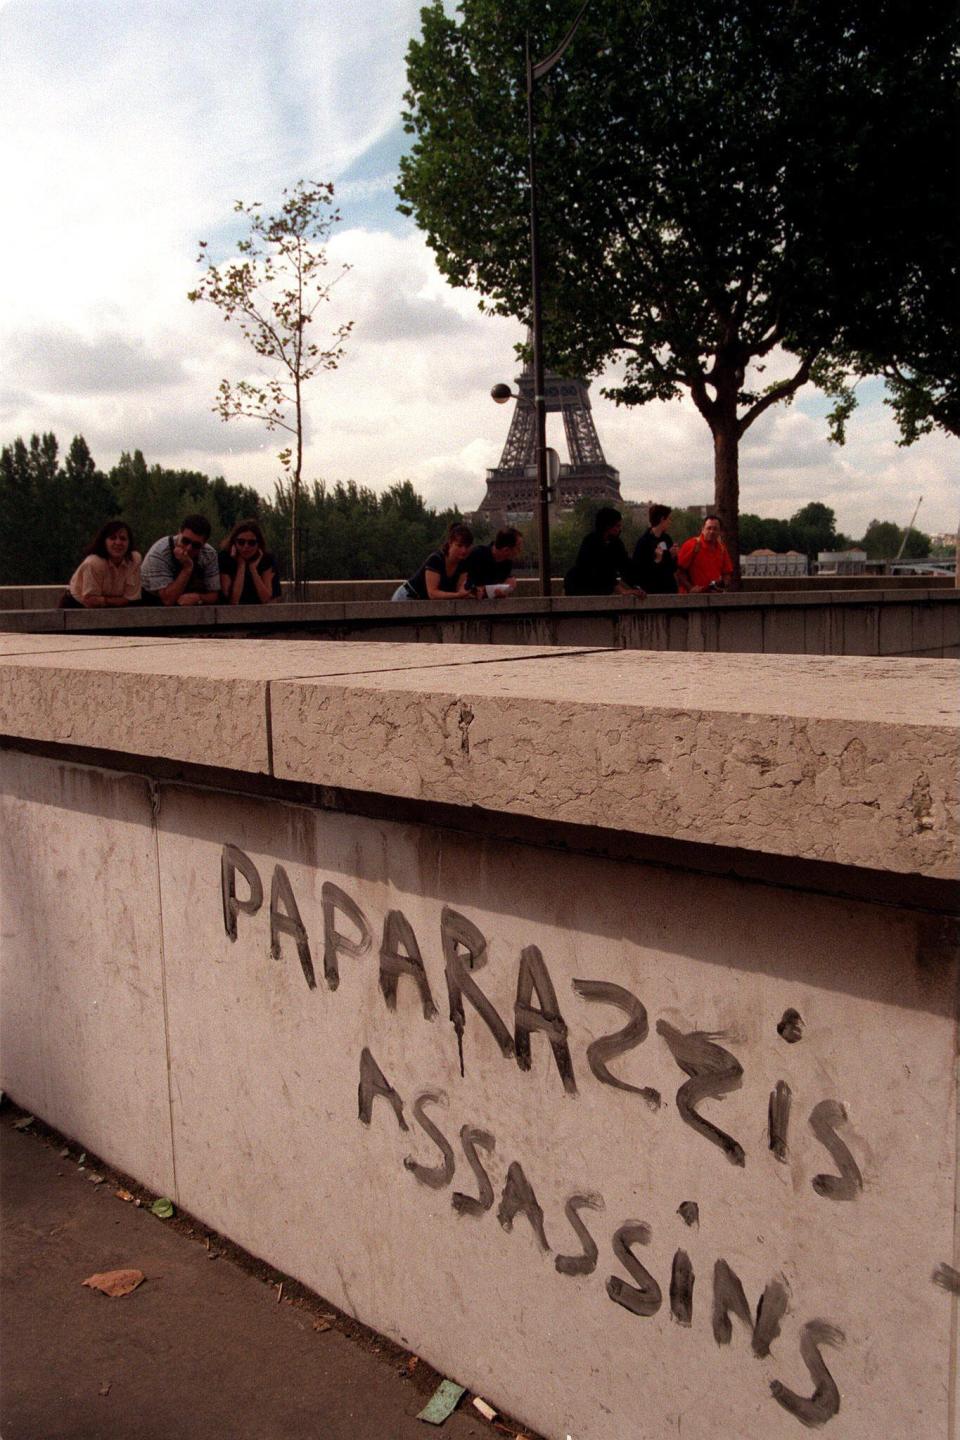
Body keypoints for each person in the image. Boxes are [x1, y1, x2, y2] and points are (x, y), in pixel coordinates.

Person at [139, 514, 220, 606]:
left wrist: (198, 597)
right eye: (185, 541)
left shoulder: (209, 554)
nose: (189, 548)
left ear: (204, 544)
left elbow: (214, 595)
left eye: (196, 545)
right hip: (151, 605)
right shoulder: (160, 553)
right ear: (179, 533)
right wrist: (187, 568)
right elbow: (168, 600)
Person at [563, 507, 645, 597]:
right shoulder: (591, 542)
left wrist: (637, 586)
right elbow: (596, 571)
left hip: (598, 589)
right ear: (607, 526)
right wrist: (622, 590)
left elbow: (625, 566)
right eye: (617, 526)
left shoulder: (616, 543)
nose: (619, 529)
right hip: (581, 589)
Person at [62, 520, 141, 608]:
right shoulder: (93, 563)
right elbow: (91, 602)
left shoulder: (135, 560)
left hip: (114, 609)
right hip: (75, 607)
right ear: (104, 542)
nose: (118, 542)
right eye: (112, 538)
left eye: (123, 539)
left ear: (129, 542)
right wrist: (119, 601)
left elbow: (131, 599)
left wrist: (104, 600)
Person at [392, 522, 474, 601]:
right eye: (459, 545)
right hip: (407, 597)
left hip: (423, 601)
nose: (464, 550)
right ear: (450, 543)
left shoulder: (464, 562)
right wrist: (458, 595)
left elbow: (460, 589)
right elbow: (433, 594)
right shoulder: (436, 559)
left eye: (467, 546)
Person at [219, 519, 281, 605]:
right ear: (234, 543)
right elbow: (233, 601)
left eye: (251, 543)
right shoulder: (225, 558)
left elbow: (267, 599)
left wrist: (253, 569)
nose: (246, 546)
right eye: (241, 542)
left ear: (258, 544)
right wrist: (241, 565)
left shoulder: (267, 559)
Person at [675, 515, 735, 594]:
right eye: (709, 528)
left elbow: (727, 573)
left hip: (714, 596)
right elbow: (678, 571)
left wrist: (721, 585)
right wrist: (690, 588)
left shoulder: (722, 549)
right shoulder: (692, 544)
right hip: (693, 597)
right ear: (702, 529)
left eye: (715, 529)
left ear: (720, 531)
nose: (711, 531)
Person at [631, 503, 678, 594]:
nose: (670, 521)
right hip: (653, 591)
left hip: (669, 589)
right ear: (662, 519)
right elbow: (639, 571)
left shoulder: (667, 539)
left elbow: (673, 568)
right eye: (668, 518)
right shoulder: (644, 542)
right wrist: (656, 561)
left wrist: (673, 556)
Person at [465, 527, 523, 598]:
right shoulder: (477, 555)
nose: (520, 551)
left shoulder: (507, 562)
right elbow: (466, 584)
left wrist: (504, 589)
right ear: (506, 550)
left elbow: (500, 587)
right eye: (518, 548)